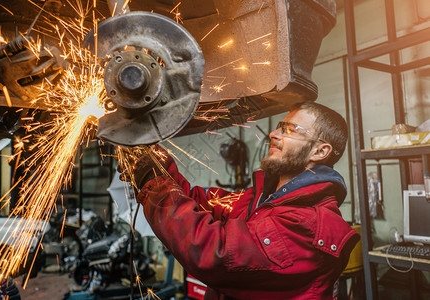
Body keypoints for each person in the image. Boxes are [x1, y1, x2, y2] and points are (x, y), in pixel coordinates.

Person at [118, 101, 360, 300]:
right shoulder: (260, 201)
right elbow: (196, 202)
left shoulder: (308, 223)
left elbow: (215, 252)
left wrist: (155, 181)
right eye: (278, 127)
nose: (273, 135)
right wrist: (155, 162)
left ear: (320, 151)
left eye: (289, 129)